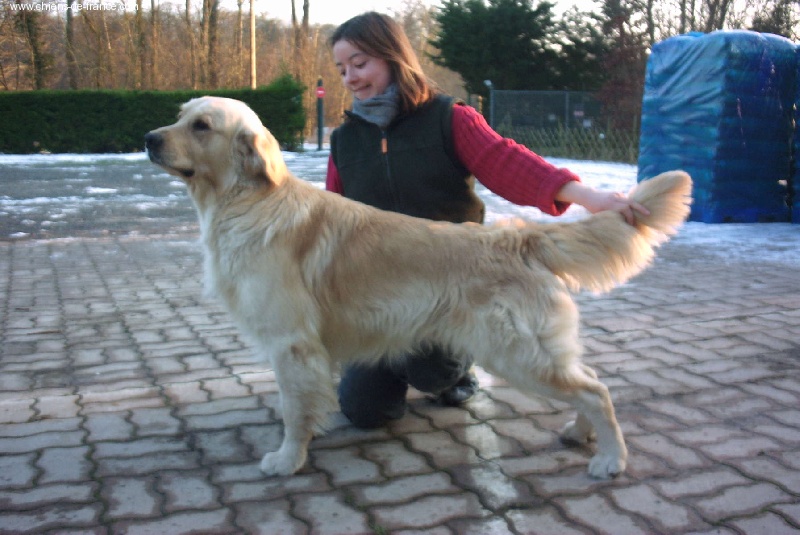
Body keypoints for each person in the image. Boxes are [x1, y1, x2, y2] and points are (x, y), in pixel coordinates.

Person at [326, 11, 648, 429]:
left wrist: (591, 198)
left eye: (360, 62)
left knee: (431, 373)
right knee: (364, 412)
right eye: (341, 68)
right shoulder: (344, 139)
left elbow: (510, 164)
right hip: (382, 293)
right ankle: (401, 367)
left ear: (392, 57)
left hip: (455, 285)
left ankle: (455, 366)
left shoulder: (448, 118)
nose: (350, 77)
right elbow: (332, 210)